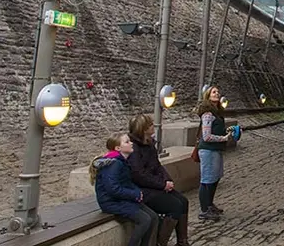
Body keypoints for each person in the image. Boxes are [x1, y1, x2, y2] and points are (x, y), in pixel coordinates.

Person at [127, 114, 190, 246]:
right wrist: (162, 185)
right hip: (143, 190)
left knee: (183, 201)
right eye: (150, 124)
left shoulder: (149, 144)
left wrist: (167, 181)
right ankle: (160, 243)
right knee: (175, 206)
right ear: (143, 129)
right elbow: (139, 175)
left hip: (155, 185)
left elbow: (157, 166)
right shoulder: (134, 149)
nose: (153, 126)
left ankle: (182, 241)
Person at [89, 133, 158, 246]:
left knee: (153, 217)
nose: (131, 143)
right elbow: (112, 189)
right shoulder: (113, 164)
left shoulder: (122, 161)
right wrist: (134, 194)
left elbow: (126, 182)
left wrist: (136, 192)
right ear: (118, 148)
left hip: (122, 199)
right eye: (127, 142)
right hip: (111, 202)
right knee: (145, 220)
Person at [195, 85, 232, 222]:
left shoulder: (217, 113)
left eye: (218, 91)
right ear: (208, 96)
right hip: (208, 150)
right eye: (214, 92)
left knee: (215, 178)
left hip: (216, 150)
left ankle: (210, 204)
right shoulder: (207, 114)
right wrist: (223, 138)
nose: (217, 93)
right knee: (207, 179)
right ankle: (204, 210)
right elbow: (206, 136)